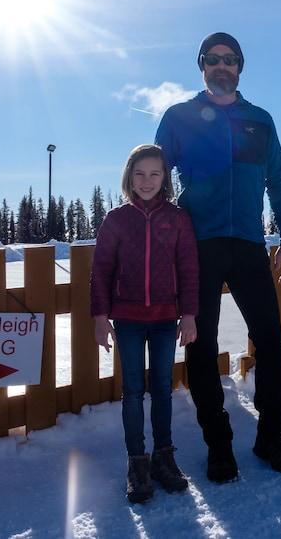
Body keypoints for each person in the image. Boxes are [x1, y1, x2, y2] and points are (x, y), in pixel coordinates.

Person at [155, 31, 281, 483]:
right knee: (201, 347)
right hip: (198, 246)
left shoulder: (260, 120)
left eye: (230, 60)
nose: (222, 66)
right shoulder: (179, 117)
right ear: (201, 65)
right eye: (213, 59)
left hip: (249, 245)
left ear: (240, 67)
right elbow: (156, 179)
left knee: (272, 343)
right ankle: (219, 446)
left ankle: (271, 437)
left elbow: (277, 181)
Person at [91, 144, 200, 504]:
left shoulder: (178, 218)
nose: (147, 181)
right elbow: (102, 270)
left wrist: (188, 314)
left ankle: (163, 457)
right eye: (140, 173)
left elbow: (187, 268)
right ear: (129, 177)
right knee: (134, 391)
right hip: (129, 320)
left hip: (167, 319)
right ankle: (137, 462)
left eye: (155, 173)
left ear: (165, 177)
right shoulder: (117, 219)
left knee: (163, 389)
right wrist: (100, 317)